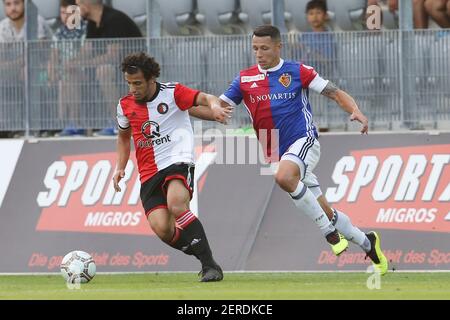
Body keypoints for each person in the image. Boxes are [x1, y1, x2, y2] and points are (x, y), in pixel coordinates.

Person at [219, 25, 388, 275]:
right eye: (255, 48)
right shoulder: (244, 79)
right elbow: (219, 105)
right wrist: (201, 108)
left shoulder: (297, 71)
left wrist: (355, 110)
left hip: (304, 139)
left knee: (284, 177)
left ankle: (329, 234)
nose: (259, 53)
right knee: (325, 210)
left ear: (278, 47)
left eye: (264, 48)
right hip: (277, 152)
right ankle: (367, 241)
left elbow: (334, 92)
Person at [113, 52, 233, 282]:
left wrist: (215, 107)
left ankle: (210, 267)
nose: (133, 89)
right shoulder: (124, 105)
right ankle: (203, 256)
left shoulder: (173, 92)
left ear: (151, 79)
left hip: (177, 160)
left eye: (137, 83)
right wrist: (120, 167)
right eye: (129, 83)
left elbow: (205, 98)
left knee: (177, 204)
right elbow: (123, 138)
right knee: (162, 229)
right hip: (149, 172)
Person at [75, 0, 143, 136]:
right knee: (72, 74)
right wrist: (72, 63)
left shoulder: (114, 20)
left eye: (77, 5)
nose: (76, 9)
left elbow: (112, 56)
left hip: (132, 70)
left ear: (85, 4)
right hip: (111, 69)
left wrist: (83, 64)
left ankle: (118, 123)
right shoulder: (92, 22)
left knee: (103, 71)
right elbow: (86, 51)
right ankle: (75, 125)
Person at [0, 0, 53, 138]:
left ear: (25, 4)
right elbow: (2, 58)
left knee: (27, 74)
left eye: (17, 3)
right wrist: (18, 63)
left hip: (45, 67)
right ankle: (11, 127)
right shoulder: (3, 26)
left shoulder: (36, 21)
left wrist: (17, 63)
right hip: (15, 70)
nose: (13, 8)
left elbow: (37, 52)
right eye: (8, 4)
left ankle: (41, 126)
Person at [49, 0, 88, 137]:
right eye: (63, 13)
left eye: (70, 13)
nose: (66, 17)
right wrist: (51, 73)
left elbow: (85, 52)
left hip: (84, 71)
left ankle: (74, 123)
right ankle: (67, 122)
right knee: (62, 81)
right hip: (64, 72)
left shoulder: (85, 29)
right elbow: (53, 56)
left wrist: (73, 64)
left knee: (69, 77)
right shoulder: (59, 32)